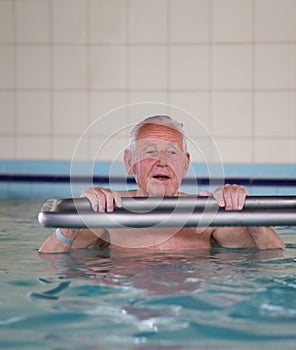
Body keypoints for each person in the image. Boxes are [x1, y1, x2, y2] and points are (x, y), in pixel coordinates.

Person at [39, 115, 285, 253]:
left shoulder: (207, 215)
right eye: (150, 151)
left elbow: (274, 257)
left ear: (185, 163)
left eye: (172, 153)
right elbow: (49, 264)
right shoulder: (110, 212)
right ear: (129, 161)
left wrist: (245, 211)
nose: (162, 162)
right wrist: (75, 218)